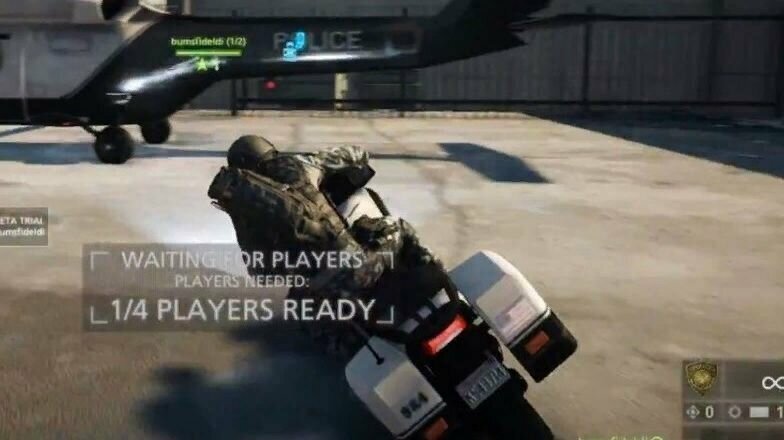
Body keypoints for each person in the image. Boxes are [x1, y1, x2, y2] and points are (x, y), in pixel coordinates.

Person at [209, 135, 441, 355]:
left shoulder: (248, 216)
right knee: (396, 226)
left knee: (297, 309)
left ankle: (350, 349)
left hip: (326, 293)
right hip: (361, 269)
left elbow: (261, 273)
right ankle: (438, 274)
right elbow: (356, 153)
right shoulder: (299, 165)